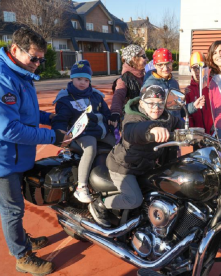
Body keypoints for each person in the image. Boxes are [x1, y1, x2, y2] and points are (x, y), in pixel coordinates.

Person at [0, 27, 70, 275]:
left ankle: (22, 240)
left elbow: (26, 113)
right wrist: (52, 136)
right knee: (12, 209)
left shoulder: (18, 71)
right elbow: (9, 129)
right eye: (33, 58)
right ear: (15, 49)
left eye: (41, 59)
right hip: (0, 158)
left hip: (14, 154)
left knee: (17, 204)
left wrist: (51, 117)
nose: (37, 64)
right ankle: (22, 256)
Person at [89, 85, 184, 227]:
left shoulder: (166, 117)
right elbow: (132, 130)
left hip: (145, 165)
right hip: (124, 167)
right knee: (134, 199)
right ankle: (100, 204)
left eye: (160, 104)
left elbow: (179, 123)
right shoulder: (133, 118)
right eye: (151, 103)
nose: (156, 107)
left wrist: (196, 131)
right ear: (141, 103)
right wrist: (152, 128)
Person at [52, 60, 116, 203]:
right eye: (79, 79)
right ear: (72, 78)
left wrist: (111, 118)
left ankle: (117, 176)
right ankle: (81, 187)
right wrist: (60, 132)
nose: (82, 82)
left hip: (100, 131)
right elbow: (60, 118)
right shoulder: (65, 99)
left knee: (118, 144)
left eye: (86, 80)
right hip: (82, 134)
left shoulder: (96, 96)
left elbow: (106, 112)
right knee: (90, 149)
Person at [142, 48, 205, 118]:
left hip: (175, 126)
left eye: (168, 63)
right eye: (160, 65)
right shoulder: (149, 85)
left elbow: (178, 111)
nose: (165, 68)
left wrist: (194, 106)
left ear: (172, 62)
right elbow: (147, 113)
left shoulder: (174, 83)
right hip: (161, 127)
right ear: (155, 65)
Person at [110, 44, 147, 127]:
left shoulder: (145, 75)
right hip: (133, 116)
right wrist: (115, 112)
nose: (147, 59)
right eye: (143, 56)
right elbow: (118, 96)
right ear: (134, 59)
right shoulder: (124, 79)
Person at [185, 52, 214, 134]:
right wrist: (192, 131)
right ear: (190, 69)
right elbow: (188, 114)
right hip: (197, 134)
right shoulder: (188, 90)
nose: (198, 71)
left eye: (200, 67)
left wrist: (217, 124)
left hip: (214, 132)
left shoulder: (212, 84)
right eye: (194, 68)